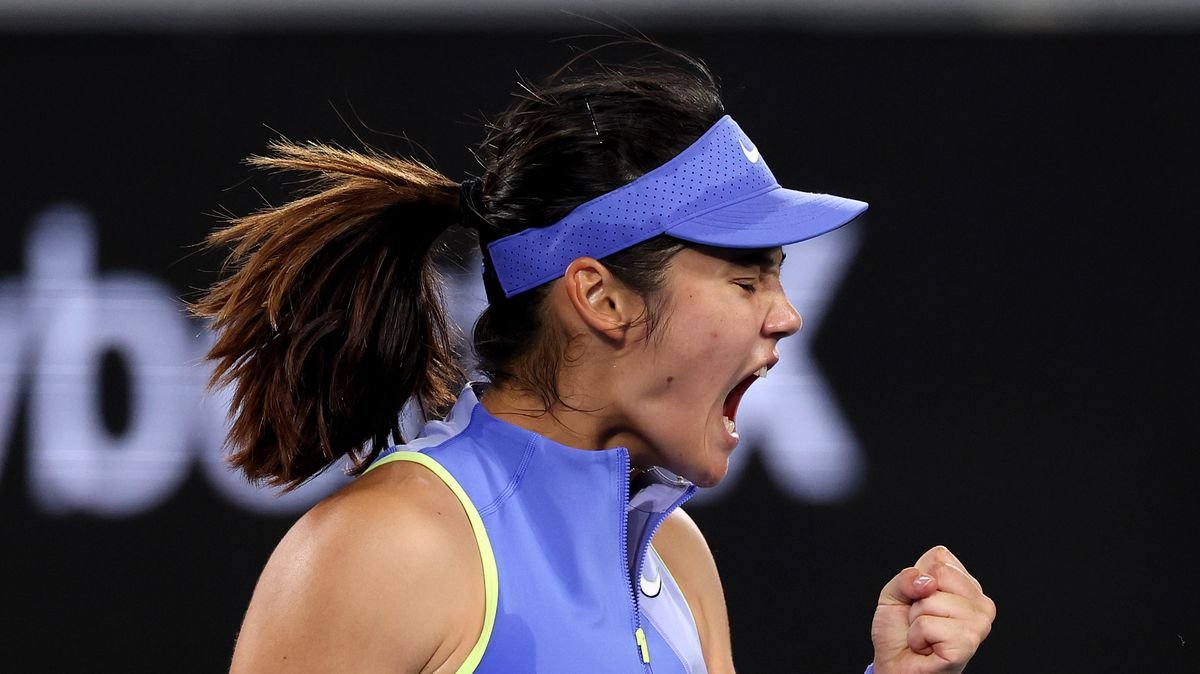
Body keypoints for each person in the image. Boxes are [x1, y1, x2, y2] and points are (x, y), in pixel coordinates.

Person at [193, 48, 995, 673]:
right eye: (746, 278)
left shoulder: (678, 557)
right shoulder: (386, 548)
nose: (787, 315)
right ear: (601, 298)